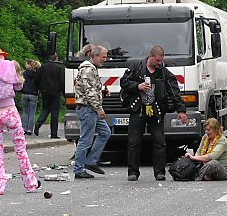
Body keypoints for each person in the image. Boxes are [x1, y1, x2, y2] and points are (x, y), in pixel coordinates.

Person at [120, 45, 187, 181]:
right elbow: (123, 82)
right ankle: (133, 172)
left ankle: (159, 172)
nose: (159, 63)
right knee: (133, 142)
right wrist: (137, 86)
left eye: (161, 61)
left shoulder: (163, 72)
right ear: (150, 56)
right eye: (157, 60)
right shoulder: (136, 68)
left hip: (156, 111)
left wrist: (181, 110)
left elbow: (174, 92)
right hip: (138, 109)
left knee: (159, 142)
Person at [0, 45, 40, 195]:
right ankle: (30, 184)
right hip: (10, 111)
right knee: (20, 149)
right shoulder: (10, 65)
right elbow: (18, 86)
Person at [73, 45, 111, 179]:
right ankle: (78, 169)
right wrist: (99, 109)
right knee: (85, 140)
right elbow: (90, 93)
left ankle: (91, 161)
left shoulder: (90, 69)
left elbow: (91, 90)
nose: (105, 59)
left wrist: (102, 92)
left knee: (105, 132)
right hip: (88, 109)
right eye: (103, 57)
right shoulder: (88, 70)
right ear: (94, 56)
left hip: (90, 109)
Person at [34, 53, 65, 138]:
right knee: (55, 112)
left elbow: (36, 79)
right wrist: (63, 93)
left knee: (45, 109)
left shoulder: (43, 67)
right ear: (56, 58)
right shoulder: (59, 68)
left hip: (45, 91)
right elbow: (62, 82)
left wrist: (39, 88)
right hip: (55, 92)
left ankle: (38, 123)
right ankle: (54, 133)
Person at [21, 59, 41, 135]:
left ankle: (24, 128)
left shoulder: (24, 73)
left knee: (25, 112)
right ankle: (29, 129)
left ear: (29, 64)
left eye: (26, 64)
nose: (25, 65)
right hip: (33, 94)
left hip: (25, 93)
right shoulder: (37, 74)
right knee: (32, 112)